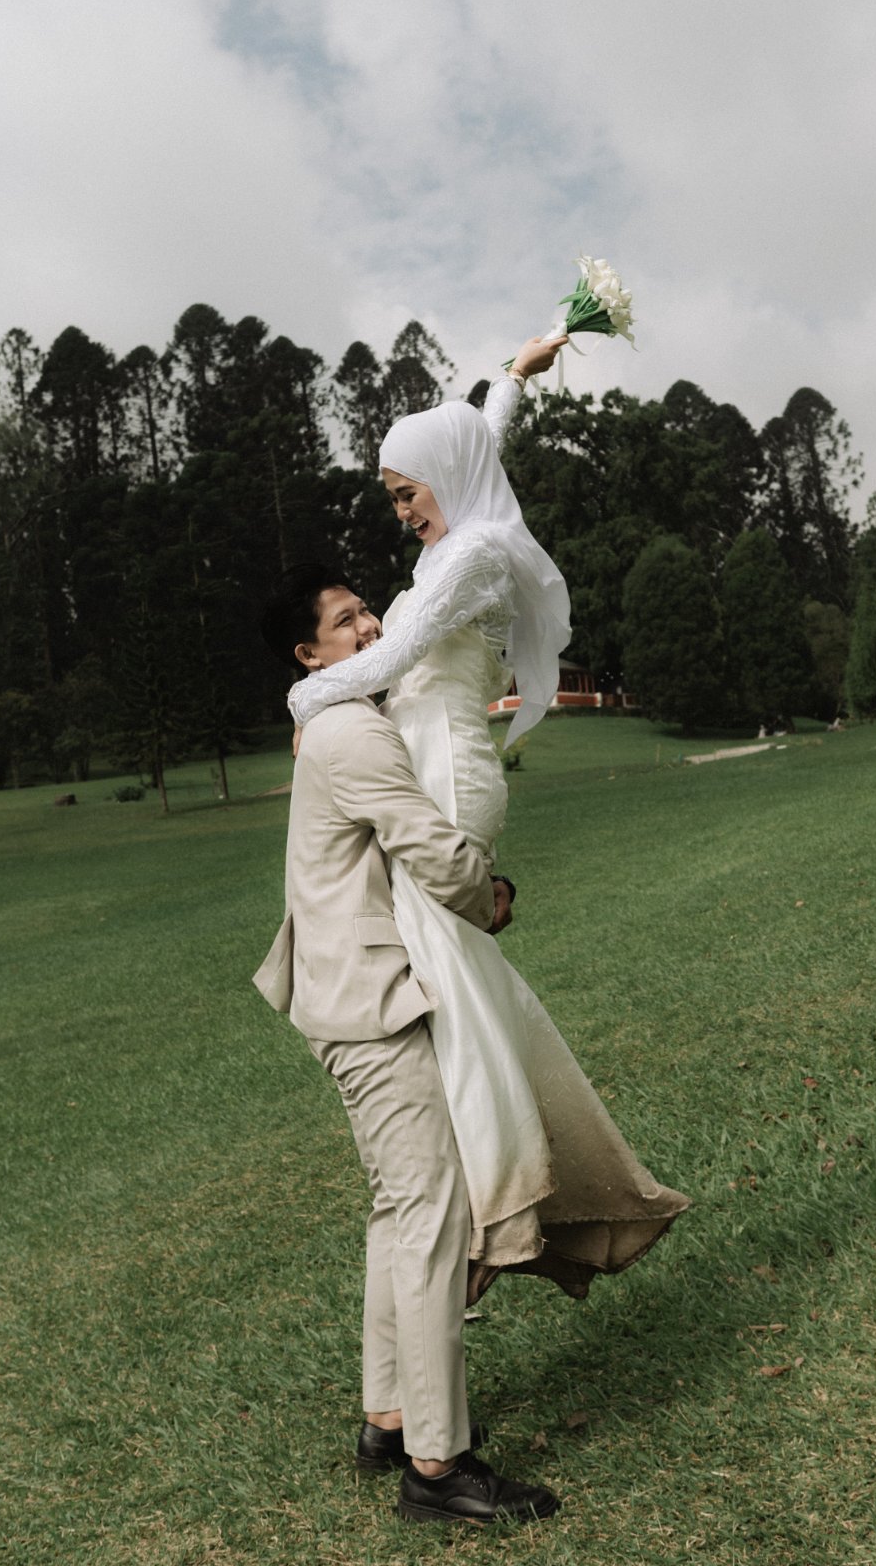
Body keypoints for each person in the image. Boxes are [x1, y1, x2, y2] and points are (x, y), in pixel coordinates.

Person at [283, 337, 689, 1296]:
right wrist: (512, 378)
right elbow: (479, 445)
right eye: (393, 496)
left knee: (450, 982)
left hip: (450, 773)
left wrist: (303, 702)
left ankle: (492, 1209)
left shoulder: (467, 556)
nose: (401, 511)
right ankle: (510, 1191)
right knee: (452, 977)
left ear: (442, 479)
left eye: (406, 492)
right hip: (423, 761)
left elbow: (388, 660)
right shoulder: (459, 533)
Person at [254, 569, 559, 1524]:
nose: (369, 624)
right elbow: (425, 842)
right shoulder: (347, 730)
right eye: (344, 621)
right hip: (369, 1004)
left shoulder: (335, 717)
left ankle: (389, 1418)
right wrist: (487, 894)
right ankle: (438, 1467)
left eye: (365, 609)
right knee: (432, 1218)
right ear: (309, 656)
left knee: (400, 1210)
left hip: (346, 995)